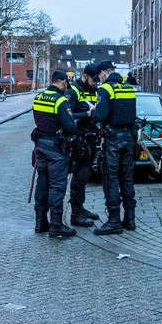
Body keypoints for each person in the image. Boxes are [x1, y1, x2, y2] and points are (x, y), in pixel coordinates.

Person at [30, 70, 77, 238]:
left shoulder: (39, 97)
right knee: (57, 186)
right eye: (66, 85)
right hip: (56, 149)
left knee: (42, 183)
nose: (66, 88)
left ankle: (40, 222)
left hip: (40, 146)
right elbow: (70, 126)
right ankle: (56, 225)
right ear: (63, 82)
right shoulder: (60, 101)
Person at [93, 60, 138, 235]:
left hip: (113, 141)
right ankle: (130, 219)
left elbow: (101, 114)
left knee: (110, 178)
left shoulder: (105, 89)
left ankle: (113, 221)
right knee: (127, 178)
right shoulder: (128, 87)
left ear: (103, 73)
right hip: (129, 138)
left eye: (99, 77)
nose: (99, 80)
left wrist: (93, 112)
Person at [66, 63, 101, 227]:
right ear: (85, 76)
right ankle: (75, 214)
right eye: (93, 80)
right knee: (79, 176)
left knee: (85, 175)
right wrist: (86, 114)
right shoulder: (73, 91)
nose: (96, 83)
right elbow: (68, 115)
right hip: (79, 140)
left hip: (91, 137)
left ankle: (81, 208)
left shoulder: (94, 90)